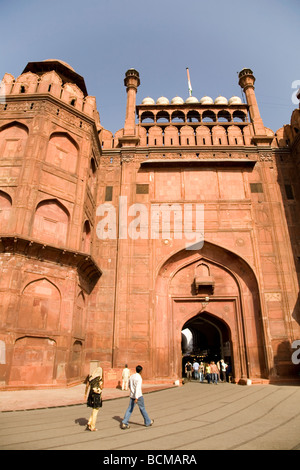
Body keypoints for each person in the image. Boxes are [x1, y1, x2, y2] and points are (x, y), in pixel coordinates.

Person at [121, 365, 154, 429]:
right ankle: (148, 421)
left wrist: (132, 393)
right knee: (142, 408)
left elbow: (129, 385)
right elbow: (138, 388)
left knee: (130, 409)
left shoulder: (132, 376)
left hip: (132, 395)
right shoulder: (139, 378)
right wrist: (136, 397)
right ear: (141, 371)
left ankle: (124, 422)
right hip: (138, 396)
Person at [84, 366, 103, 431]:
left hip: (91, 394)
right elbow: (101, 387)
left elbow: (87, 386)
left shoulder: (90, 377)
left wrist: (85, 394)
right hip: (97, 395)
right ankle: (92, 426)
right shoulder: (99, 378)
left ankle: (89, 422)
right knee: (96, 411)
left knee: (94, 409)